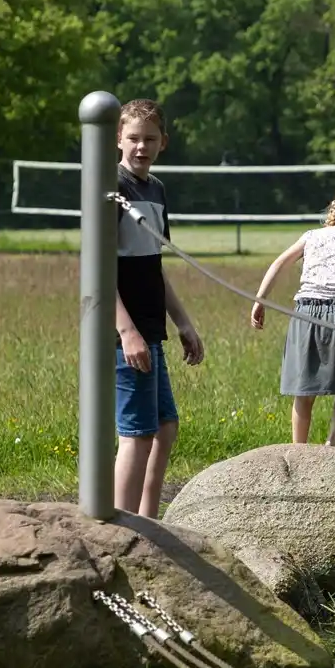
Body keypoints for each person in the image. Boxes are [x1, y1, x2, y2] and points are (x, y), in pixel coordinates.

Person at [114, 99, 205, 518]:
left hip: (151, 328)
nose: (141, 147)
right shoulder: (112, 189)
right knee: (137, 434)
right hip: (124, 332)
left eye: (149, 139)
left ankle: (149, 522)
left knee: (165, 426)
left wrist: (183, 322)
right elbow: (95, 272)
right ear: (118, 139)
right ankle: (121, 528)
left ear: (163, 142)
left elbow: (154, 264)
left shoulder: (155, 190)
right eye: (133, 138)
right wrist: (125, 331)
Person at [249, 187, 335, 447]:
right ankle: (332, 442)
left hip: (304, 315)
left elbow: (278, 263)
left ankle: (298, 448)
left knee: (304, 389)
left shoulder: (311, 236)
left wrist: (260, 300)